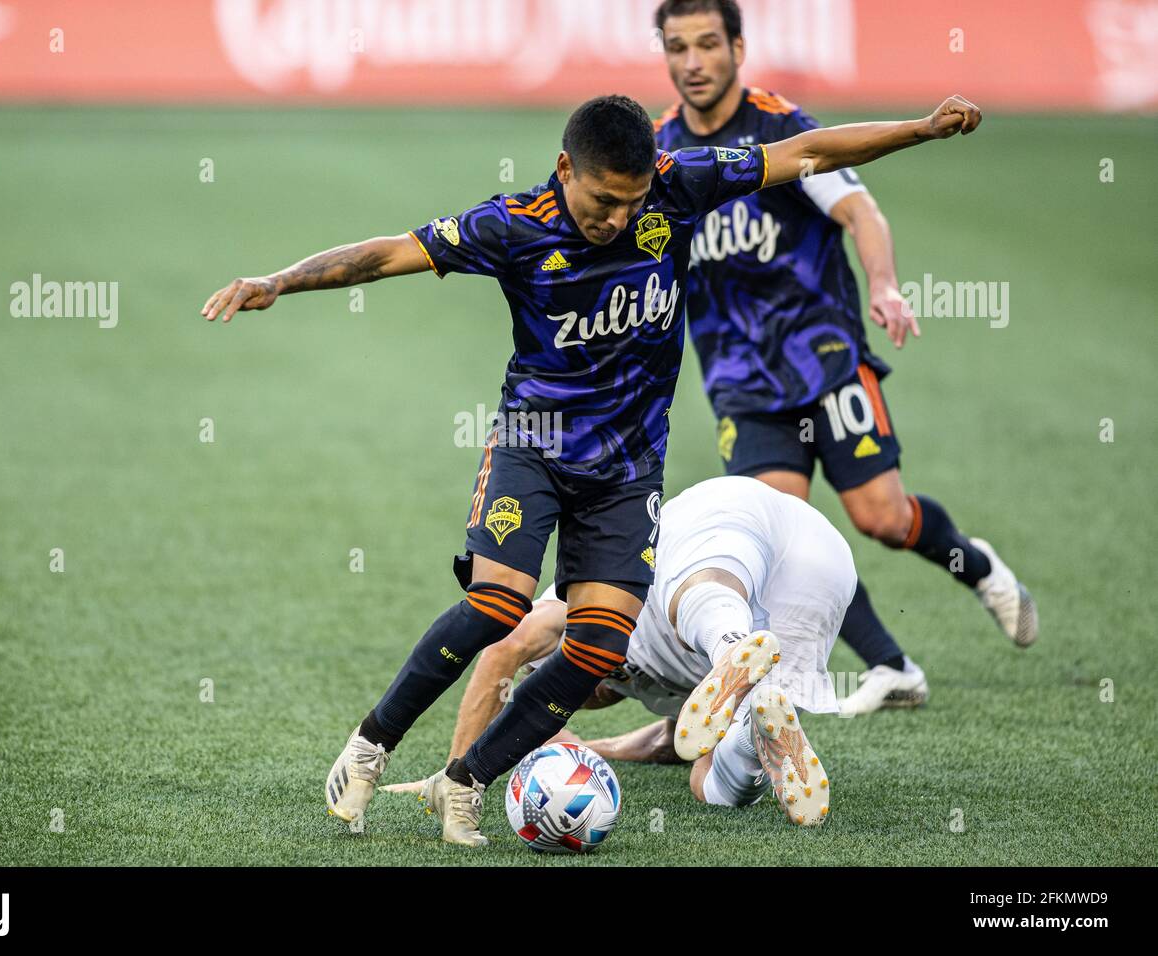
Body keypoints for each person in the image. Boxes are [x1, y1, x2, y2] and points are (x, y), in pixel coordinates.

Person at [201, 89, 984, 847]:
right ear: (565, 169)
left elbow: (806, 152)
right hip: (533, 444)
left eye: (632, 203)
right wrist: (280, 280)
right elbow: (388, 253)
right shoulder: (512, 225)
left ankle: (464, 783)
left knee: (597, 648)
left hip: (627, 469)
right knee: (497, 607)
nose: (618, 219)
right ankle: (371, 746)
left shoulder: (677, 188)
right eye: (604, 202)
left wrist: (921, 128)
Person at [650, 0, 1036, 716]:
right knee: (780, 537)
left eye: (708, 44)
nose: (694, 62)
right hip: (740, 378)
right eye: (679, 47)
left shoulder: (783, 130)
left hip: (823, 354)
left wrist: (885, 284)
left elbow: (860, 211)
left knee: (882, 518)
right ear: (665, 55)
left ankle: (974, 563)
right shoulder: (663, 156)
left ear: (738, 46)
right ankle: (893, 666)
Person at [384, 476, 854, 826]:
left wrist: (457, 774)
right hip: (828, 565)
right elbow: (674, 741)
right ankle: (753, 730)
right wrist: (595, 750)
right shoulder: (676, 691)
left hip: (726, 515)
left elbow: (508, 646)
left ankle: (731, 650)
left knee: (692, 593)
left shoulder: (577, 615)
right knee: (708, 771)